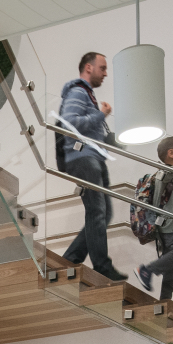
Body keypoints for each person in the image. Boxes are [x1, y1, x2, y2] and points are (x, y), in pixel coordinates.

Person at [54, 51, 126, 282]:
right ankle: (102, 266)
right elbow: (70, 123)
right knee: (97, 211)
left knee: (104, 212)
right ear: (88, 68)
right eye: (102, 68)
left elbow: (91, 130)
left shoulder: (88, 95)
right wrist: (100, 115)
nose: (105, 73)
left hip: (94, 157)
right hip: (82, 158)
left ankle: (69, 261)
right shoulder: (77, 91)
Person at [137, 136, 173, 303]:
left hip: (169, 224)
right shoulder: (165, 172)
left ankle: (165, 301)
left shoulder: (172, 178)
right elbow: (169, 172)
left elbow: (165, 199)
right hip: (166, 225)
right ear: (171, 153)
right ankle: (146, 271)